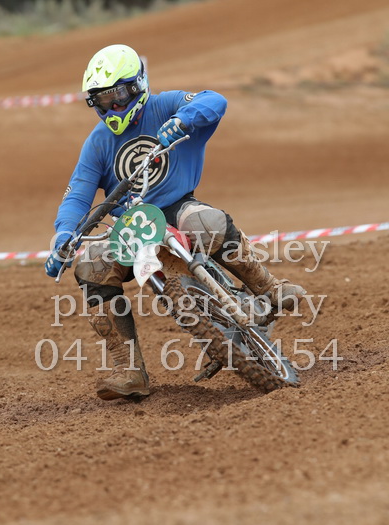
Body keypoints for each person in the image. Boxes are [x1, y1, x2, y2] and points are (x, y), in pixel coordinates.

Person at [45, 44, 305, 400]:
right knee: (90, 265)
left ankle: (269, 288)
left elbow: (214, 101)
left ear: (137, 85)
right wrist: (64, 236)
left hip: (178, 207)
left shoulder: (165, 105)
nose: (114, 106)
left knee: (206, 222)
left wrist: (182, 120)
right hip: (131, 226)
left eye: (119, 95)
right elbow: (77, 196)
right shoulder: (98, 143)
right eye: (104, 100)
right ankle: (129, 369)